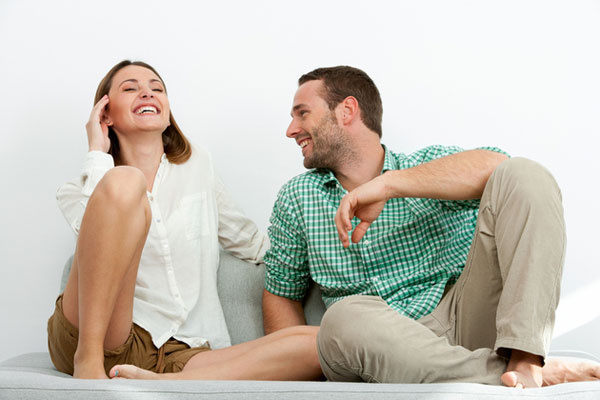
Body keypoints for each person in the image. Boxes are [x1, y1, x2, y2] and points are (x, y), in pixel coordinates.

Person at [262, 65, 600, 388]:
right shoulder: (297, 197)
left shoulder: (425, 167)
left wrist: (390, 185)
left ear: (347, 110)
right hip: (375, 348)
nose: (291, 129)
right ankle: (521, 374)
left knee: (526, 173)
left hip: (460, 322)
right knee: (342, 317)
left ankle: (526, 360)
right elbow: (281, 295)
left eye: (302, 113)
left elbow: (503, 169)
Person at [47, 60, 321, 380]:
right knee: (126, 181)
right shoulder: (77, 189)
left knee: (319, 343)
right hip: (103, 334)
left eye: (157, 88)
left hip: (182, 350)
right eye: (131, 88)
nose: (147, 93)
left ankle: (163, 383)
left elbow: (247, 240)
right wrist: (97, 152)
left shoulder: (199, 165)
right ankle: (89, 362)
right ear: (105, 114)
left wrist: (317, 255)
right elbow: (93, 243)